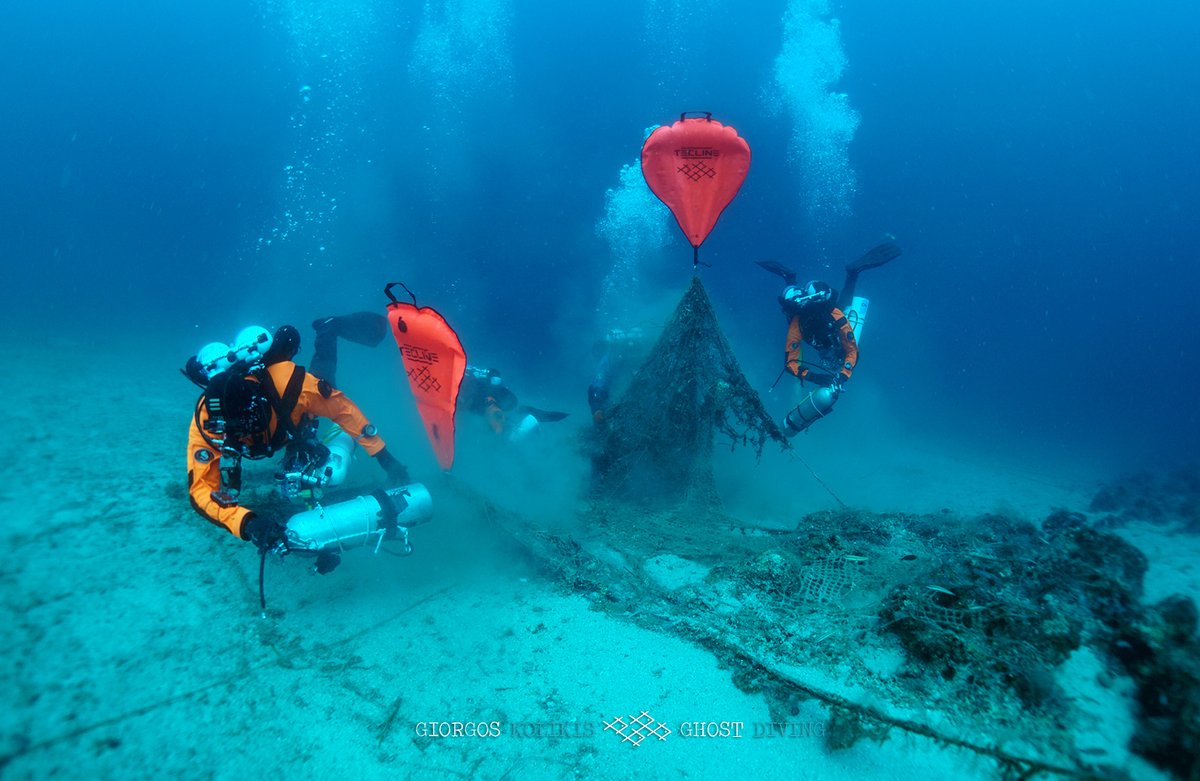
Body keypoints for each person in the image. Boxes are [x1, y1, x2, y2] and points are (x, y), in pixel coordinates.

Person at [184, 324, 409, 552]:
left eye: (252, 417)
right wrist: (247, 523)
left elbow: (344, 411)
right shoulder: (208, 418)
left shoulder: (295, 385)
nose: (245, 427)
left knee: (325, 372)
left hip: (295, 421)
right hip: (281, 428)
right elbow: (200, 490)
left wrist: (385, 458)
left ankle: (328, 330)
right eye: (236, 425)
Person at [764, 242, 900, 436]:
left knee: (843, 305)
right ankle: (793, 278)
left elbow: (852, 352)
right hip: (820, 322)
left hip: (829, 322)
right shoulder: (799, 322)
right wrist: (815, 376)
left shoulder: (832, 316)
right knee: (837, 305)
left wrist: (842, 376)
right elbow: (790, 364)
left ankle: (848, 273)